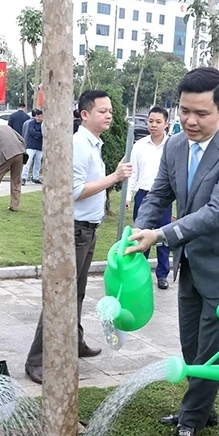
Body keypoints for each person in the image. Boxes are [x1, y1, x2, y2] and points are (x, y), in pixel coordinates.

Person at [126, 68, 219, 436]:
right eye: (184, 110)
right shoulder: (175, 146)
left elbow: (216, 212)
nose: (190, 120)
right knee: (190, 338)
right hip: (191, 258)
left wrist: (161, 236)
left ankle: (192, 418)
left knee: (211, 346)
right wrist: (139, 229)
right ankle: (204, 406)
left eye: (201, 113)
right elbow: (158, 195)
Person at [23, 90, 132, 384]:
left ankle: (75, 340)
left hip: (89, 229)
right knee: (61, 295)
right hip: (75, 229)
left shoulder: (93, 144)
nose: (109, 115)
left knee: (78, 293)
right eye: (102, 111)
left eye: (110, 111)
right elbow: (73, 192)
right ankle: (36, 360)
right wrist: (114, 178)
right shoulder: (78, 146)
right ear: (84, 115)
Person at [126, 106, 172, 290]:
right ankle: (140, 272)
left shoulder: (172, 146)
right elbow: (133, 173)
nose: (153, 125)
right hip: (143, 196)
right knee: (140, 236)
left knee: (163, 236)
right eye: (151, 121)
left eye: (158, 122)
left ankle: (162, 274)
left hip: (164, 199)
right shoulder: (139, 146)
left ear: (166, 124)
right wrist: (129, 197)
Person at [21, 109, 44, 184]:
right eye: (37, 116)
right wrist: (39, 135)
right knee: (28, 162)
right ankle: (24, 177)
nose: (38, 118)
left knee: (38, 163)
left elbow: (44, 133)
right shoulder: (31, 123)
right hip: (31, 145)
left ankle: (35, 177)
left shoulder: (43, 124)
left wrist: (38, 135)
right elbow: (32, 132)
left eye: (40, 117)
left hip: (39, 146)